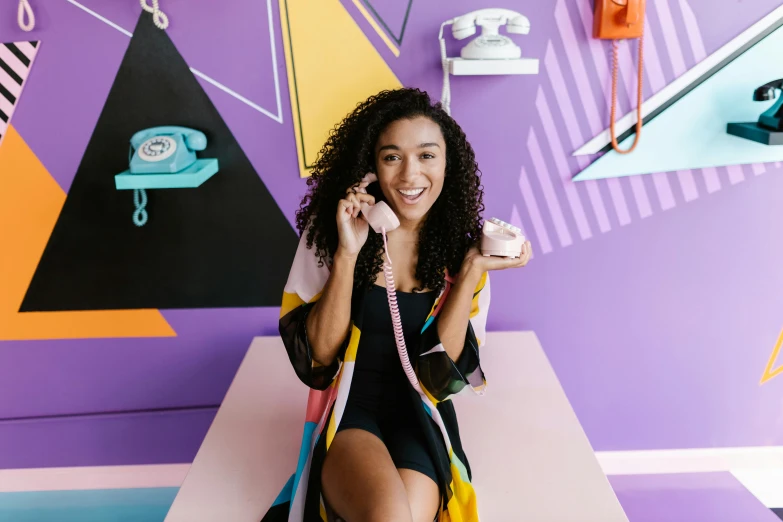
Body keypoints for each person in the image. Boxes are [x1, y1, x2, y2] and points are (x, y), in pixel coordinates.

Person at [264, 88, 531, 522]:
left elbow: (440, 381)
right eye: (392, 157)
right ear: (371, 167)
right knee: (388, 515)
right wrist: (348, 254)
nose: (411, 174)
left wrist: (470, 274)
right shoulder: (330, 235)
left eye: (427, 155)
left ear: (449, 163)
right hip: (352, 409)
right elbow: (316, 361)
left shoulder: (460, 252)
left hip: (421, 415)